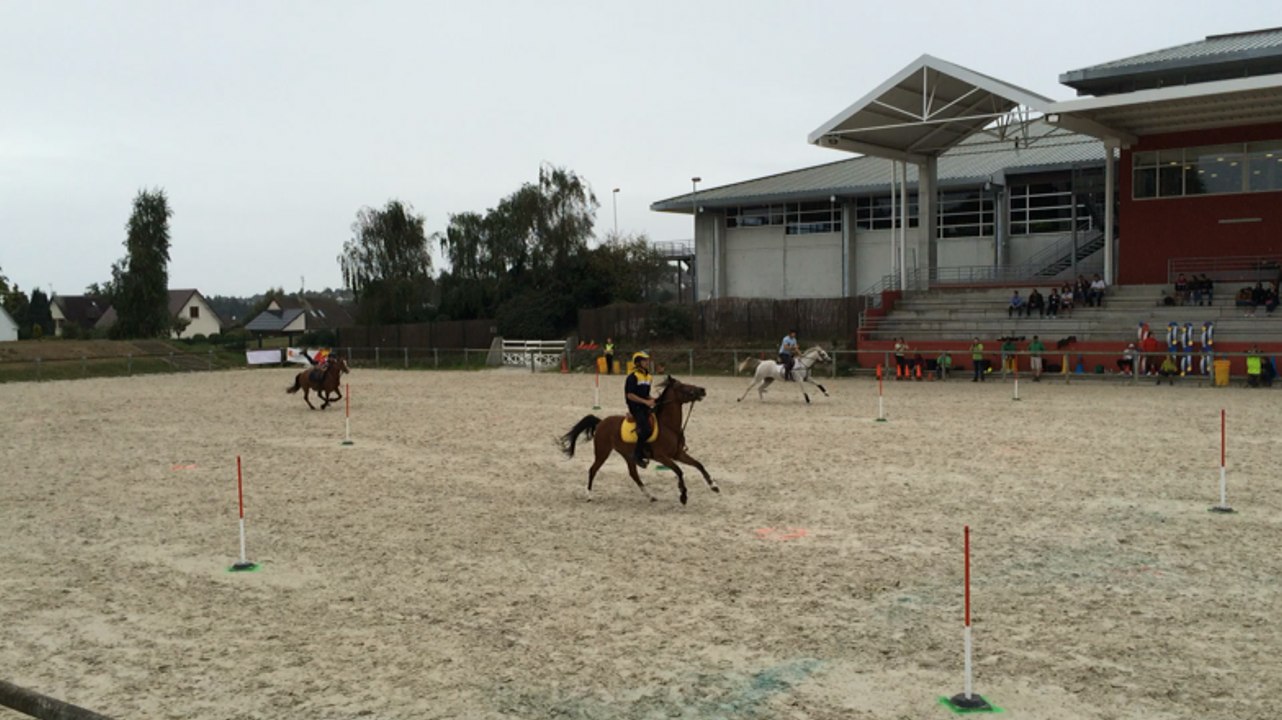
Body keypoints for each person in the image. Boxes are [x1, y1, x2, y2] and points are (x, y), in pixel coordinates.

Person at [624, 351, 656, 467]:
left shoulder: (648, 376)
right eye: (644, 361)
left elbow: (645, 394)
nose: (647, 362)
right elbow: (630, 395)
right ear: (637, 363)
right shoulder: (632, 377)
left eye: (647, 360)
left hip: (644, 405)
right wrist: (646, 402)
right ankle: (637, 455)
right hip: (636, 407)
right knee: (646, 430)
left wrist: (653, 399)